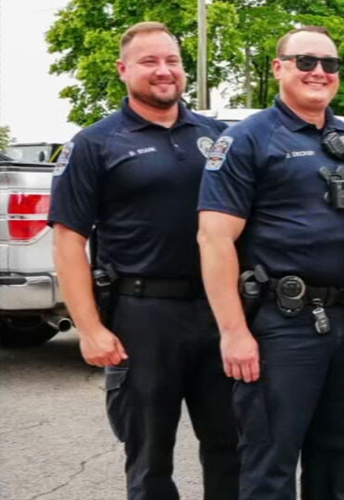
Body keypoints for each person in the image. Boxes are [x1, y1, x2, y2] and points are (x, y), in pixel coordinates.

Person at [49, 21, 238, 500]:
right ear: (123, 70)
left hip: (221, 313)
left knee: (232, 446)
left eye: (172, 60)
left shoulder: (220, 138)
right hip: (142, 316)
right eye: (149, 61)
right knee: (150, 457)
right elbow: (69, 242)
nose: (164, 71)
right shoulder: (94, 144)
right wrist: (90, 329)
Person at [197, 26, 344, 500]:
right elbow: (214, 239)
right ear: (278, 68)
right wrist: (234, 333)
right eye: (305, 61)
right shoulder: (247, 140)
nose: (319, 72)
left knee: (337, 457)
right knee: (269, 462)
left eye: (329, 64)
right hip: (282, 324)